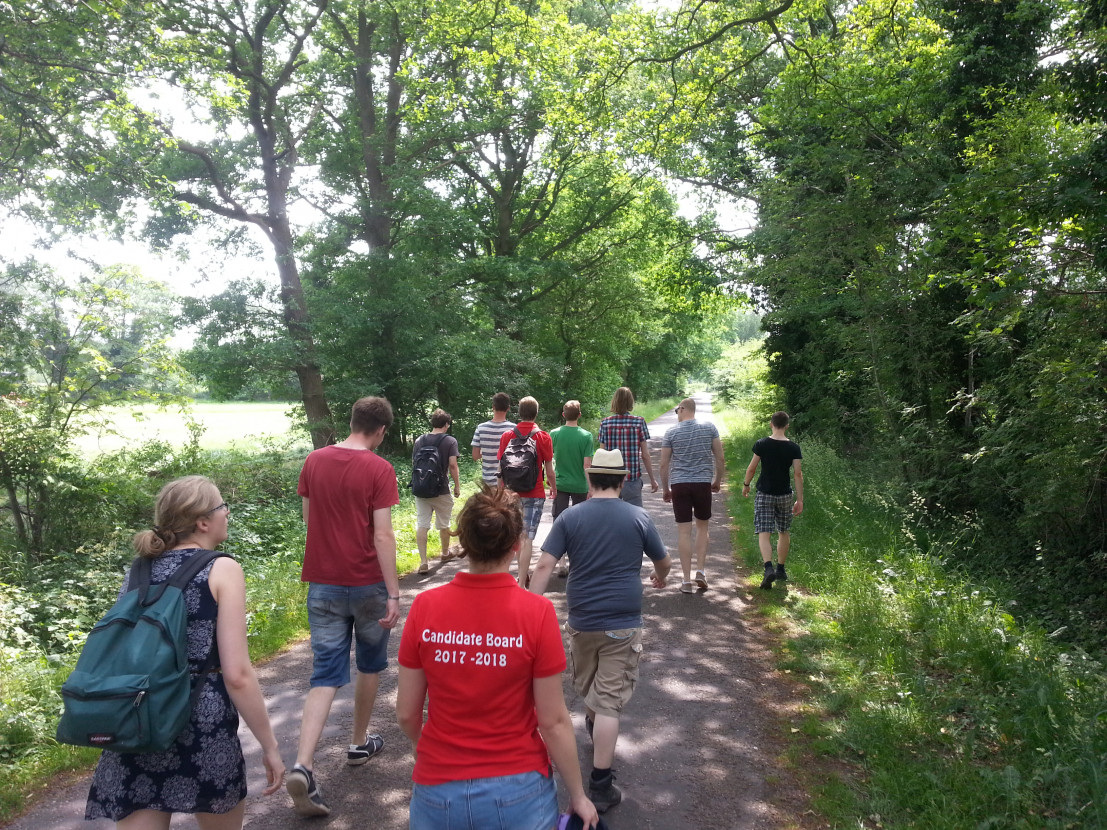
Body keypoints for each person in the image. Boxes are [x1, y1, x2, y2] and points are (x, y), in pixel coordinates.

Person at [85, 475, 284, 828]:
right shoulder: (221, 568)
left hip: (140, 714)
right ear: (202, 522)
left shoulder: (138, 570)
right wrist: (269, 745)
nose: (227, 513)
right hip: (201, 719)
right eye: (222, 506)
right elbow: (237, 675)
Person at [396, 486, 599, 830]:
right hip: (518, 789)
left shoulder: (424, 608)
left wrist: (427, 751)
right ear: (516, 544)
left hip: (437, 789)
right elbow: (552, 721)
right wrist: (578, 794)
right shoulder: (536, 613)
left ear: (464, 543)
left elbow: (405, 713)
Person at [529, 449, 671, 813]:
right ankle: (601, 785)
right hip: (623, 622)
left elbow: (545, 564)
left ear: (590, 480)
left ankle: (598, 731)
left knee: (591, 689)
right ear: (623, 481)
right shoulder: (638, 516)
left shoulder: (570, 516)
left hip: (582, 619)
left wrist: (527, 608)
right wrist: (660, 577)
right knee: (608, 700)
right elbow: (663, 561)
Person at [287, 397, 401, 818]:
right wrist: (393, 592)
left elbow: (308, 517)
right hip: (369, 583)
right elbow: (383, 536)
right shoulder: (379, 468)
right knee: (370, 665)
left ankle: (303, 763)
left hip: (324, 583)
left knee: (325, 674)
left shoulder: (314, 461)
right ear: (381, 430)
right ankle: (358, 743)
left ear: (353, 422)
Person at [660, 397, 725, 593]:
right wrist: (717, 481)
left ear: (682, 409)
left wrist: (665, 489)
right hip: (702, 484)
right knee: (703, 528)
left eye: (676, 411)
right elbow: (720, 458)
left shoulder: (671, 432)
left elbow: (664, 465)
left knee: (684, 531)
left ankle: (686, 580)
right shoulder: (709, 428)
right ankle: (701, 571)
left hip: (679, 485)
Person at [497, 395, 556, 587]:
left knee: (512, 536)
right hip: (534, 492)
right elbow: (549, 470)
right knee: (527, 538)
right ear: (536, 413)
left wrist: (500, 493)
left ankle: (505, 580)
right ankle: (522, 583)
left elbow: (501, 469)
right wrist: (553, 488)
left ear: (519, 413)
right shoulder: (543, 437)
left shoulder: (507, 435)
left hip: (511, 493)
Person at [742, 411, 804, 589]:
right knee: (783, 531)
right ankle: (781, 569)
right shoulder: (794, 447)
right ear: (787, 426)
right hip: (785, 494)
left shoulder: (762, 444)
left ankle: (768, 568)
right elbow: (798, 474)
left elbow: (752, 468)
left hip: (764, 493)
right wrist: (800, 500)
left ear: (771, 424)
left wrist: (746, 484)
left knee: (764, 531)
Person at [412, 408, 462, 573]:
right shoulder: (450, 441)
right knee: (444, 523)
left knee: (422, 524)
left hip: (421, 489)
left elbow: (414, 464)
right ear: (446, 424)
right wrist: (457, 485)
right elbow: (453, 465)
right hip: (441, 489)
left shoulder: (419, 440)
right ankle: (445, 553)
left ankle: (423, 562)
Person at [549, 400, 593, 577]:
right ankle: (578, 561)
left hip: (560, 484)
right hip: (580, 485)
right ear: (579, 415)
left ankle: (561, 562)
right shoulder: (586, 436)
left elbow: (548, 460)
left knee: (559, 521)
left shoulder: (554, 434)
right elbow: (587, 465)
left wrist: (549, 480)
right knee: (580, 522)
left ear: (563, 415)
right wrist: (591, 487)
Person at [597, 387, 658, 507]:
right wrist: (652, 479)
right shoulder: (638, 422)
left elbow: (601, 455)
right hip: (632, 479)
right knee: (634, 517)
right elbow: (645, 455)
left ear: (614, 401)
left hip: (611, 480)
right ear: (630, 402)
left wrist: (598, 481)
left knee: (611, 517)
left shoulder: (605, 423)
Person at [471, 392, 516, 486]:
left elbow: (475, 456)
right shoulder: (514, 429)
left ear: (493, 407)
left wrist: (487, 453)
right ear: (508, 408)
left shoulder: (481, 428)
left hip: (487, 482)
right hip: (508, 481)